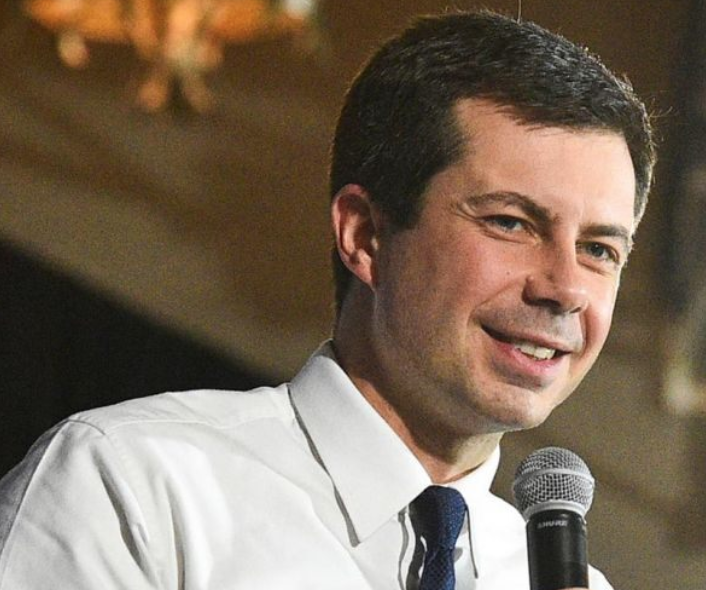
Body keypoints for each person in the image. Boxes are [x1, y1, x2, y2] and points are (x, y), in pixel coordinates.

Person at [0, 10, 654, 590]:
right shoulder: (136, 487)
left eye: (600, 249)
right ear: (365, 236)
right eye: (510, 222)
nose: (565, 288)